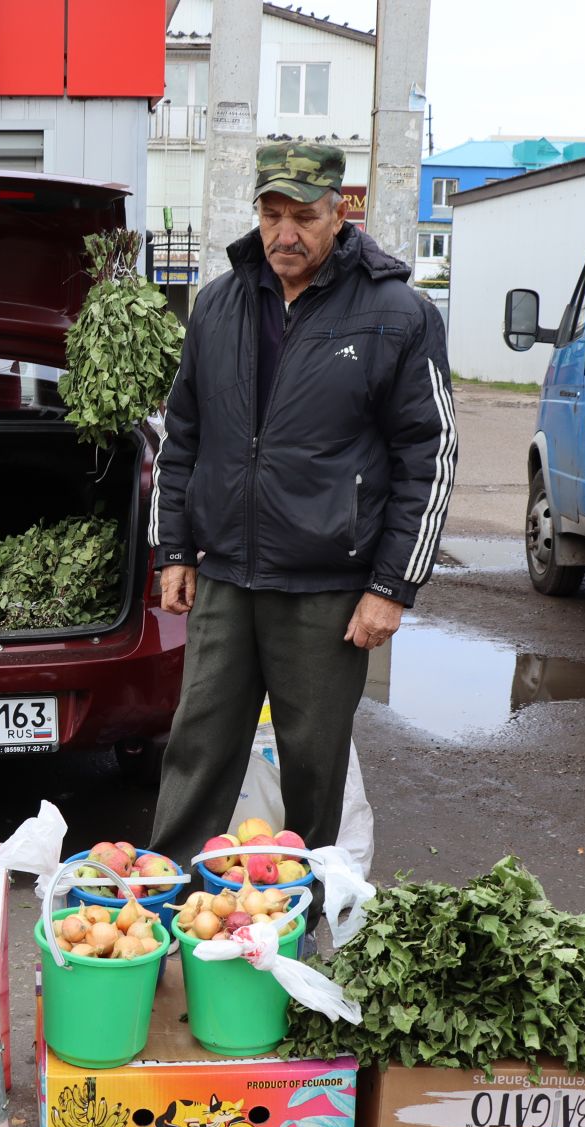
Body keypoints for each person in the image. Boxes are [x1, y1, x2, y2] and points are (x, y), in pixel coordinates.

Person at [149, 141, 457, 867]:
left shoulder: (397, 314)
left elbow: (429, 456)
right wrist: (174, 550)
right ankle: (165, 917)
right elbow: (182, 435)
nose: (285, 234)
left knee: (314, 768)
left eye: (303, 217)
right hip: (225, 576)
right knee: (195, 753)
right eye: (271, 213)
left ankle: (304, 922)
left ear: (339, 213)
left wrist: (391, 587)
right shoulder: (218, 304)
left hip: (326, 588)